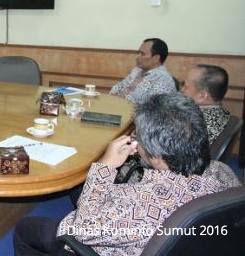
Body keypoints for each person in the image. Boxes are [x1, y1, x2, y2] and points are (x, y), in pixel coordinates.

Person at [13, 93, 240, 256]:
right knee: (80, 189)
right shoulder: (223, 172)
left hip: (110, 239)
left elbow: (78, 230)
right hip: (178, 238)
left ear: (156, 154)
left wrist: (106, 167)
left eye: (138, 136)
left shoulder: (134, 206)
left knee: (27, 227)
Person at [110, 38, 176, 104]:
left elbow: (150, 109)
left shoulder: (164, 80)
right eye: (138, 53)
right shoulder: (137, 70)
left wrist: (121, 97)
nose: (137, 57)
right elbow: (116, 89)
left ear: (156, 58)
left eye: (142, 54)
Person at [181, 64, 231, 144]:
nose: (182, 90)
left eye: (185, 86)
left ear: (202, 96)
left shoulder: (194, 126)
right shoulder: (223, 113)